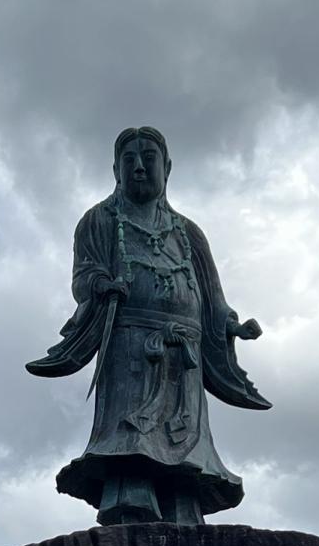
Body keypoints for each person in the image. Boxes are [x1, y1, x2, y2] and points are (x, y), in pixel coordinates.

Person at [26, 126, 269, 525]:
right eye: (129, 160)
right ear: (116, 170)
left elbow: (212, 297)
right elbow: (83, 276)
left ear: (167, 168)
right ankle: (130, 502)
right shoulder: (99, 221)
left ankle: (183, 507)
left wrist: (232, 325)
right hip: (130, 343)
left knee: (184, 434)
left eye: (149, 158)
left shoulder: (188, 233)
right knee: (130, 429)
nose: (139, 167)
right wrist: (101, 284)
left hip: (185, 351)